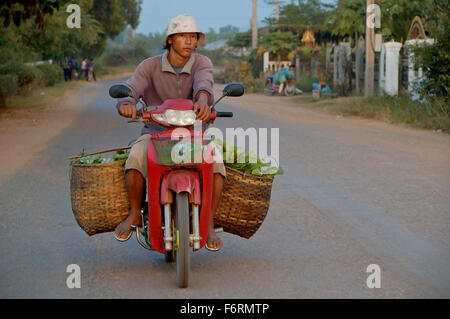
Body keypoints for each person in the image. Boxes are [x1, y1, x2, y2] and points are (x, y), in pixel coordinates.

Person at [113, 15, 225, 251]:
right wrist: (126, 103)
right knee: (134, 157)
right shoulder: (149, 66)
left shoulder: (201, 62)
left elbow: (204, 85)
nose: (189, 41)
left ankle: (210, 221)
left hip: (194, 133)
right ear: (170, 39)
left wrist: (203, 102)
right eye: (183, 36)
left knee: (216, 162)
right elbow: (132, 88)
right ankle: (135, 213)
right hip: (155, 132)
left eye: (193, 37)